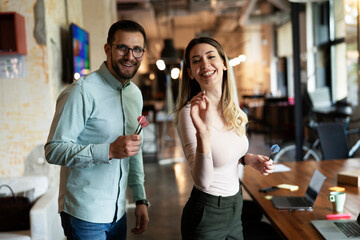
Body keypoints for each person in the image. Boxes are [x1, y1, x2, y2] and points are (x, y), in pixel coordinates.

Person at [45, 20, 149, 240]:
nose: (130, 56)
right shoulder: (81, 92)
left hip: (119, 212)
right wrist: (109, 150)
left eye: (137, 49)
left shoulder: (135, 94)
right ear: (107, 49)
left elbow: (134, 150)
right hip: (85, 215)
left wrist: (140, 198)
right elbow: (53, 150)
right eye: (122, 47)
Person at [174, 37, 274, 240]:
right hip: (207, 213)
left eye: (211, 57)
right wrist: (203, 134)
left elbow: (224, 152)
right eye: (196, 60)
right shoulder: (189, 114)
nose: (205, 64)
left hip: (235, 206)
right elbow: (203, 181)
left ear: (224, 64)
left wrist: (245, 159)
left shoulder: (232, 109)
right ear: (191, 73)